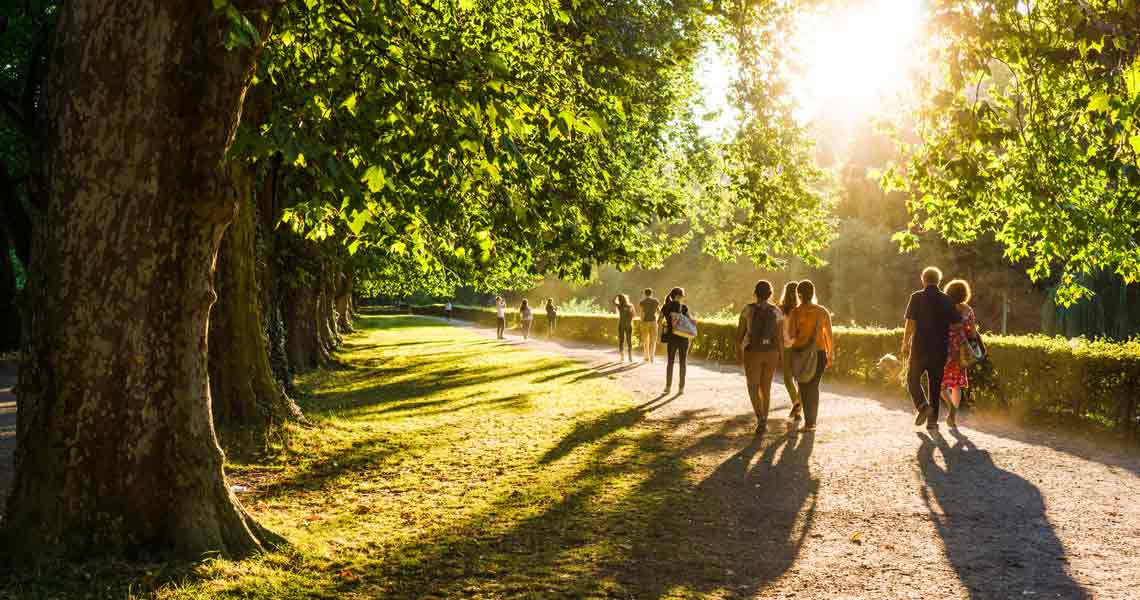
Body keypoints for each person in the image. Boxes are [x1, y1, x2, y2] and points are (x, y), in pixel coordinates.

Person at [902, 266, 962, 430]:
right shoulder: (947, 300)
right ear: (939, 280)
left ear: (923, 279)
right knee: (935, 385)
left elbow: (910, 324)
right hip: (939, 350)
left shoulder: (916, 297)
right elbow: (957, 323)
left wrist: (905, 343)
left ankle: (922, 406)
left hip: (919, 348)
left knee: (912, 379)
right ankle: (932, 422)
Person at [786, 280, 833, 433]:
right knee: (813, 387)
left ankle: (809, 422)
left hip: (800, 354)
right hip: (819, 354)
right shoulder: (822, 311)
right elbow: (829, 336)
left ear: (798, 295)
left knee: (804, 387)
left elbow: (792, 335)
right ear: (813, 293)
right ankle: (811, 422)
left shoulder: (795, 312)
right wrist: (830, 354)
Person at [737, 280, 784, 431]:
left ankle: (760, 418)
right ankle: (765, 417)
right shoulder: (777, 312)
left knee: (753, 386)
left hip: (753, 352)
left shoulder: (747, 310)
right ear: (770, 294)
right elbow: (779, 338)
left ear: (755, 293)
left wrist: (739, 353)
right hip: (771, 353)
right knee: (766, 387)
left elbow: (739, 336)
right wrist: (781, 356)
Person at [940, 279, 977, 429]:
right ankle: (953, 417)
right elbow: (973, 333)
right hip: (960, 350)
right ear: (965, 294)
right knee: (956, 384)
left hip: (942, 349)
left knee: (938, 382)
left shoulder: (942, 308)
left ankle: (951, 409)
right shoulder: (968, 310)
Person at [778, 281, 802, 421]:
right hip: (800, 346)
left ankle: (796, 405)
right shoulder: (802, 309)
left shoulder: (780, 309)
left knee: (788, 378)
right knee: (800, 379)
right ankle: (798, 406)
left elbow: (778, 330)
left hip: (785, 346)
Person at [660, 287, 691, 394]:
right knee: (683, 363)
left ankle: (668, 387)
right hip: (683, 338)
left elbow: (659, 320)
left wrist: (668, 323)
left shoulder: (665, 306)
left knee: (670, 362)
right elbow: (689, 321)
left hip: (672, 338)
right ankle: (681, 388)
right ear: (679, 296)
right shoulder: (684, 307)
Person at [639, 288, 661, 363]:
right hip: (653, 321)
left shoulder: (642, 302)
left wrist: (641, 322)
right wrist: (657, 319)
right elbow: (659, 311)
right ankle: (652, 357)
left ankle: (646, 357)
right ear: (651, 293)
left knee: (646, 340)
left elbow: (642, 313)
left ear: (645, 294)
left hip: (645, 322)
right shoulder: (655, 301)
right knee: (653, 340)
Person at [614, 294, 635, 362]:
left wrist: (616, 296)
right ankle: (630, 357)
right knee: (629, 341)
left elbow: (613, 301)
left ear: (619, 300)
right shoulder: (630, 306)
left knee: (621, 341)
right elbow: (634, 315)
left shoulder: (620, 306)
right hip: (629, 325)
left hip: (621, 325)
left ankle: (622, 357)